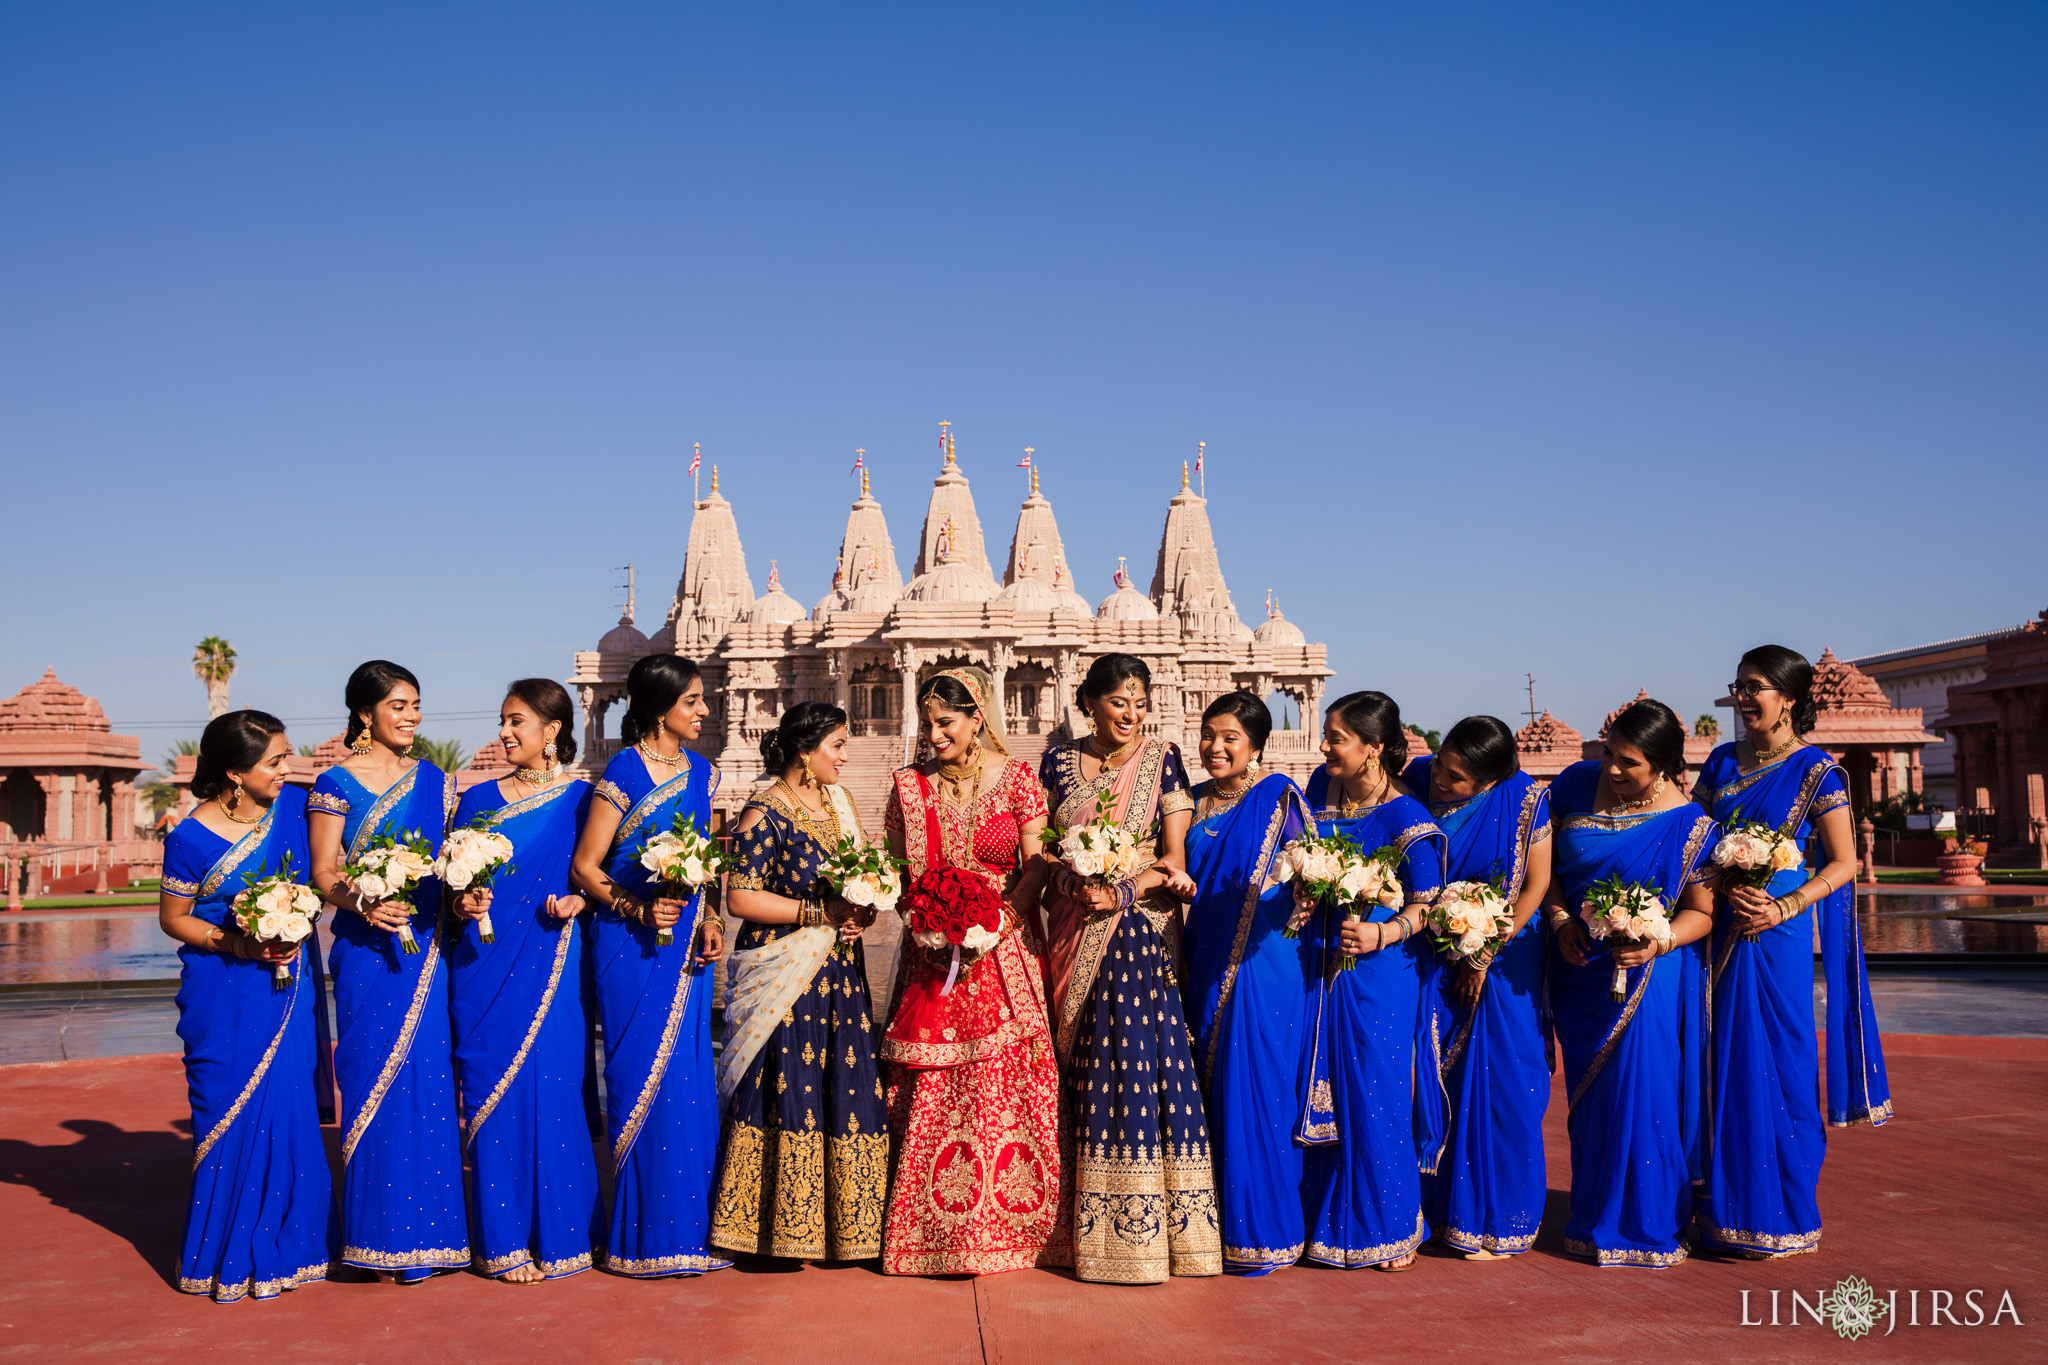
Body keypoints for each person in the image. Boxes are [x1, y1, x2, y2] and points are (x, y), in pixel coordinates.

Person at [1694, 646, 1889, 1260]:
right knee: (1718, 1062)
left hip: (1773, 934)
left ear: (1791, 698)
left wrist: (1786, 904)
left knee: (1778, 1060)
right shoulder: (1723, 763)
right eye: (1739, 686)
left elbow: (1843, 860)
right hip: (1720, 927)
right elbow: (1694, 837)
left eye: (1757, 688)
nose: (1745, 698)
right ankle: (1724, 1211)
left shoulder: (1817, 773)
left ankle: (1782, 1210)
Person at [879, 668, 1070, 1276]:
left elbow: (1036, 863)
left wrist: (1004, 920)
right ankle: (929, 1231)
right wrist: (924, 926)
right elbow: (897, 872)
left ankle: (1018, 1226)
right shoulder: (908, 788)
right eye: (928, 723)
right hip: (932, 951)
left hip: (1004, 946)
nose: (934, 734)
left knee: (1004, 1078)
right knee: (931, 1080)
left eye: (946, 722)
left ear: (977, 719)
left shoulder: (1018, 780)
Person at [1040, 653, 1220, 1284]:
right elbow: (1043, 853)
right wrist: (1071, 879)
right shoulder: (1058, 761)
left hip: (1136, 928)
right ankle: (1071, 1226)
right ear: (1089, 701)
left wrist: (1118, 892)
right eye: (1120, 701)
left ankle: (1148, 1237)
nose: (1132, 713)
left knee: (1136, 1058)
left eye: (1140, 702)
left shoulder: (1162, 757)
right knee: (1082, 1058)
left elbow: (1173, 857)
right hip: (1069, 923)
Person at [158, 709, 337, 1301]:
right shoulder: (188, 837)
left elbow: (324, 875)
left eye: (287, 757)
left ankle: (292, 1249)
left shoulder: (293, 811)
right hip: (222, 992)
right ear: (235, 772)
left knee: (287, 1110)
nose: (289, 769)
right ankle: (222, 1256)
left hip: (288, 984)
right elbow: (174, 919)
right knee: (222, 1110)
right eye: (275, 761)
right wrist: (237, 941)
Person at [709, 702, 888, 1262]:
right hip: (785, 971)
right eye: (836, 745)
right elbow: (739, 897)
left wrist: (863, 913)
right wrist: (820, 916)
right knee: (787, 1087)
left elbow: (858, 886)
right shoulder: (764, 810)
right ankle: (771, 1232)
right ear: (806, 753)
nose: (845, 755)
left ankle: (848, 1230)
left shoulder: (841, 805)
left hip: (838, 972)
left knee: (844, 1082)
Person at [569, 653, 729, 1278]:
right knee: (641, 1077)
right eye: (692, 701)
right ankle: (638, 1240)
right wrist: (637, 907)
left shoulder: (702, 771)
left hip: (687, 940)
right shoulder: (623, 772)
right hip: (631, 943)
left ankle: (690, 1234)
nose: (703, 711)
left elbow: (703, 863)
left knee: (689, 1079)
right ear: (660, 706)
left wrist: (710, 918)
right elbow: (587, 868)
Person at [308, 660, 467, 1284]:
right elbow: (324, 873)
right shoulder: (335, 783)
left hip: (428, 951)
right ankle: (377, 1237)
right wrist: (363, 900)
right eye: (399, 706)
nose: (412, 716)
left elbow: (453, 866)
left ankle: (434, 1237)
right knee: (374, 1078)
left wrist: (464, 897)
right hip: (367, 953)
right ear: (364, 714)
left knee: (428, 1083)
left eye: (417, 705)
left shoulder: (436, 782)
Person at [1546, 698, 1718, 1268]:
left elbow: (1703, 912)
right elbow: (1540, 872)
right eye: (1610, 755)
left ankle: (1644, 1224)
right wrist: (1561, 918)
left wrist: (1656, 940)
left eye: (1630, 763)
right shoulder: (1573, 784)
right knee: (1591, 1102)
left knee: (1641, 1096)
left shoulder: (1690, 826)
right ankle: (1593, 1213)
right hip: (1579, 973)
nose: (1614, 770)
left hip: (1648, 976)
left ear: (1665, 768)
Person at [446, 679, 602, 1283]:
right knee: (493, 1089)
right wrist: (462, 904)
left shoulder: (585, 800)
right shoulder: (476, 800)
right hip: (483, 967)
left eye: (517, 722)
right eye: (503, 721)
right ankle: (503, 1242)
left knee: (556, 1088)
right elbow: (454, 889)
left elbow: (602, 875)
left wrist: (579, 904)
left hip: (554, 962)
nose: (505, 733)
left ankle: (564, 1237)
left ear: (552, 730)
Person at [1298, 690, 1446, 1272]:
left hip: (1379, 972)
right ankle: (1321, 1219)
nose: (1325, 746)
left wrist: (1382, 935)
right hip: (1318, 965)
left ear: (1375, 748)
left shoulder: (1407, 818)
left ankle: (1389, 1225)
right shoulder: (1318, 788)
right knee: (1319, 1086)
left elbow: (1429, 903)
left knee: (1375, 1090)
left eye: (1337, 737)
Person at [1179, 691, 1317, 1275]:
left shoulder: (1277, 798)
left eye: (1230, 738)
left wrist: (1307, 894)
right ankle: (1214, 1231)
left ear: (1257, 746)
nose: (1215, 747)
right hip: (1200, 958)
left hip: (1265, 963)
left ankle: (1266, 1232)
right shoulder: (1187, 802)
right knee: (1209, 1090)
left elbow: (1312, 872)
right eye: (1209, 735)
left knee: (1256, 1085)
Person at [1411, 716, 1553, 1260]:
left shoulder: (1524, 800)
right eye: (1443, 765)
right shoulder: (1417, 776)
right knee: (1427, 1076)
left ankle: (1498, 1219)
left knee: (1502, 1085)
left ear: (1489, 784)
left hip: (1505, 950)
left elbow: (1536, 883)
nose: (1442, 781)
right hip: (1433, 947)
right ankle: (1437, 1212)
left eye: (1459, 778)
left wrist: (1487, 947)